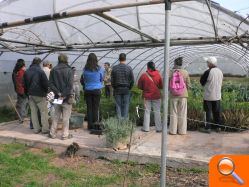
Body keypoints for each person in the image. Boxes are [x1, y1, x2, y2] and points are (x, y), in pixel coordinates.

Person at [49, 54, 74, 140]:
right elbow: (70, 85)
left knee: (56, 116)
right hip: (66, 98)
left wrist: (58, 93)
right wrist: (63, 95)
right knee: (66, 118)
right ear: (66, 59)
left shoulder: (53, 70)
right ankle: (64, 135)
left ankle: (52, 133)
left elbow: (51, 84)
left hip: (57, 97)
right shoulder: (69, 70)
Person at [24, 57, 49, 134]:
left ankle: (36, 129)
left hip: (30, 94)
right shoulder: (40, 71)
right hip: (40, 94)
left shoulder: (27, 71)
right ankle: (45, 129)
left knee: (33, 112)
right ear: (39, 63)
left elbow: (24, 84)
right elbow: (46, 83)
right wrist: (46, 92)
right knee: (43, 112)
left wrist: (27, 93)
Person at [80, 53, 104, 130]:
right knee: (96, 108)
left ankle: (90, 126)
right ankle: (95, 125)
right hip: (97, 90)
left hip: (88, 90)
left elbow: (83, 80)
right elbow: (101, 79)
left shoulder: (85, 69)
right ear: (96, 59)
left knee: (89, 108)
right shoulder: (99, 69)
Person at [200, 57, 223, 133]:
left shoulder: (208, 72)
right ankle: (218, 127)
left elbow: (202, 82)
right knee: (217, 112)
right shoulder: (220, 71)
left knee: (208, 112)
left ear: (210, 63)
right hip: (217, 96)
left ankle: (208, 128)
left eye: (207, 63)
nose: (207, 64)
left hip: (208, 96)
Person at [137, 61, 163, 132]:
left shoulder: (144, 75)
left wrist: (145, 88)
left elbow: (139, 86)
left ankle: (146, 128)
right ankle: (159, 128)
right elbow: (161, 86)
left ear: (147, 67)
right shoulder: (158, 75)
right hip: (157, 96)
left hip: (147, 97)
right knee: (157, 111)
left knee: (147, 112)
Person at [169, 57, 191, 135]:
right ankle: (182, 131)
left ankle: (173, 131)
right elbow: (188, 85)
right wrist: (185, 90)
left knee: (173, 113)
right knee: (182, 113)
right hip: (183, 95)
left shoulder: (170, 72)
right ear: (181, 64)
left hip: (173, 95)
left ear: (175, 64)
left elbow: (167, 84)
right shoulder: (185, 72)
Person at [111, 53, 134, 119]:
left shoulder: (114, 68)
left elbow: (112, 80)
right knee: (126, 105)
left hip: (117, 89)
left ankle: (119, 122)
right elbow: (132, 80)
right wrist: (129, 87)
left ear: (119, 59)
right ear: (125, 59)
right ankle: (125, 122)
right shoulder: (129, 68)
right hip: (126, 89)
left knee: (118, 105)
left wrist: (114, 87)